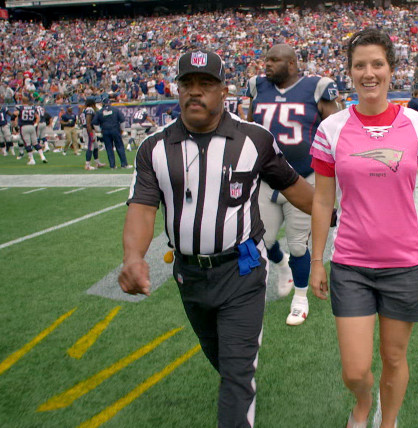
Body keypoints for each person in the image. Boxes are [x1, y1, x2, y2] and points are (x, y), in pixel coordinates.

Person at [119, 50, 315, 428]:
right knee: (222, 359)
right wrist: (133, 257)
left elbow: (293, 187)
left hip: (241, 269)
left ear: (223, 90)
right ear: (177, 90)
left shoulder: (254, 139)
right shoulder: (154, 148)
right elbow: (143, 207)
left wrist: (339, 216)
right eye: (187, 84)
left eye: (205, 84)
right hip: (189, 275)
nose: (195, 92)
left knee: (237, 373)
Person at [309, 28, 418, 428]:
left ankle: (387, 423)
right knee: (355, 371)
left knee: (394, 358)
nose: (368, 73)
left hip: (404, 264)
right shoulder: (331, 129)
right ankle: (362, 402)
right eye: (359, 65)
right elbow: (322, 200)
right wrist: (317, 260)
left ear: (391, 69)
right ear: (349, 73)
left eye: (377, 64)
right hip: (351, 265)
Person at [248, 43, 339, 325]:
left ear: (291, 64)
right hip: (266, 177)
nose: (267, 65)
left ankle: (300, 299)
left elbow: (336, 131)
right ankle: (280, 264)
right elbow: (250, 127)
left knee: (299, 244)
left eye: (274, 60)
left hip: (303, 178)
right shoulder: (256, 86)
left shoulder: (317, 87)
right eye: (266, 59)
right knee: (261, 240)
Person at [92, 98, 129, 168]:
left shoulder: (100, 112)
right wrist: (122, 130)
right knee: (120, 147)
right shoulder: (116, 110)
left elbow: (95, 123)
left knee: (109, 148)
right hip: (115, 130)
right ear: (110, 103)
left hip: (105, 131)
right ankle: (124, 164)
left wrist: (100, 131)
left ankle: (112, 165)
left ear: (103, 104)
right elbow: (122, 121)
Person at [15, 95, 47, 165]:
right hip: (32, 126)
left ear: (22, 101)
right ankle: (43, 157)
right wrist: (35, 124)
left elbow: (15, 113)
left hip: (24, 127)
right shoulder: (32, 108)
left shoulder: (20, 107)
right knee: (35, 143)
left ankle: (32, 159)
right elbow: (37, 117)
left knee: (27, 144)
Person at [79, 98, 105, 170]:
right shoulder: (89, 109)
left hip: (89, 130)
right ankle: (87, 165)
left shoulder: (84, 110)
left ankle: (97, 162)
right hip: (88, 130)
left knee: (96, 146)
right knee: (90, 147)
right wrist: (90, 132)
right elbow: (88, 122)